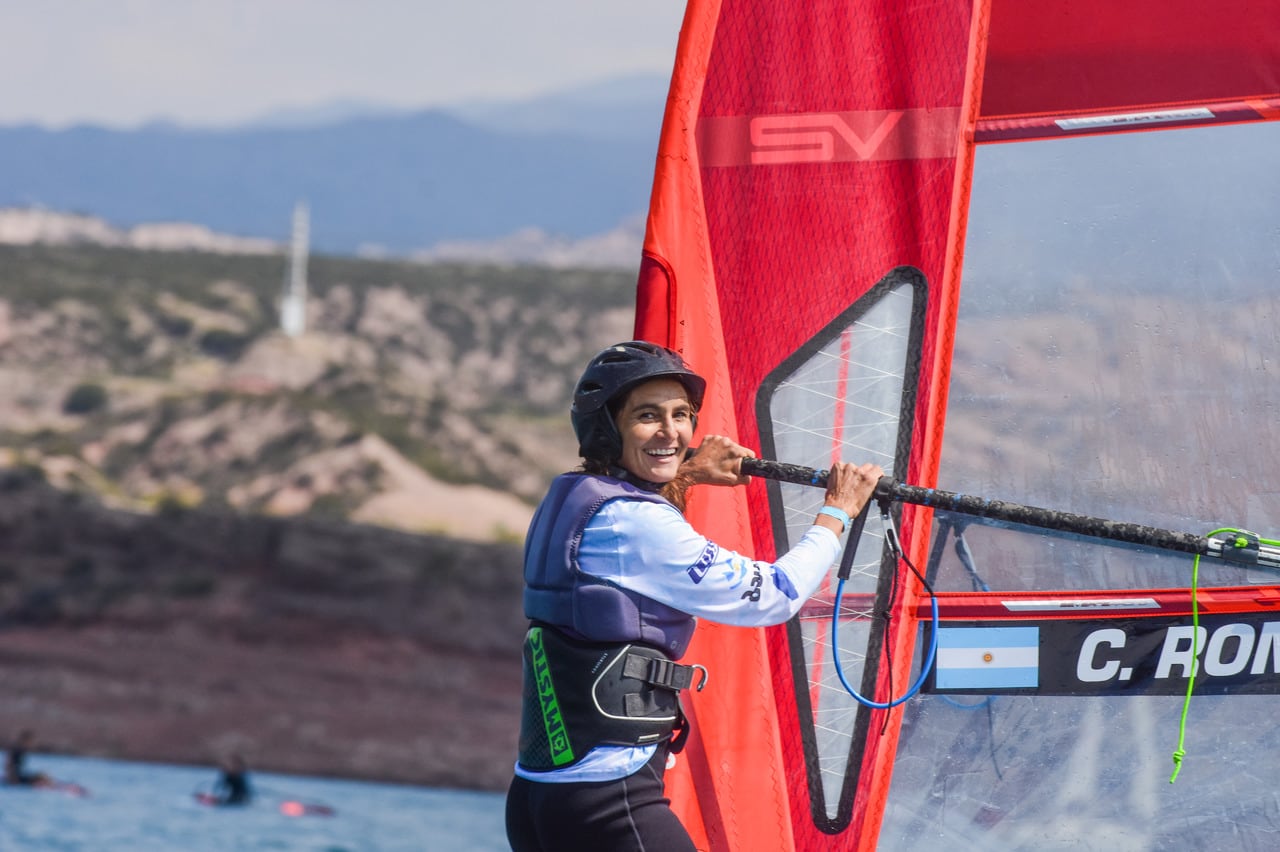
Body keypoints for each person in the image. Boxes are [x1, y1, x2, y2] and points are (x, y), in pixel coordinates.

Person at [505, 340, 883, 851]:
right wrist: (838, 511)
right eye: (647, 416)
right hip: (609, 802)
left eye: (681, 415)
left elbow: (629, 541)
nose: (671, 432)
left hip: (540, 799)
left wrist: (688, 472)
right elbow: (774, 595)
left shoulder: (572, 497)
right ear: (606, 427)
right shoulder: (635, 522)